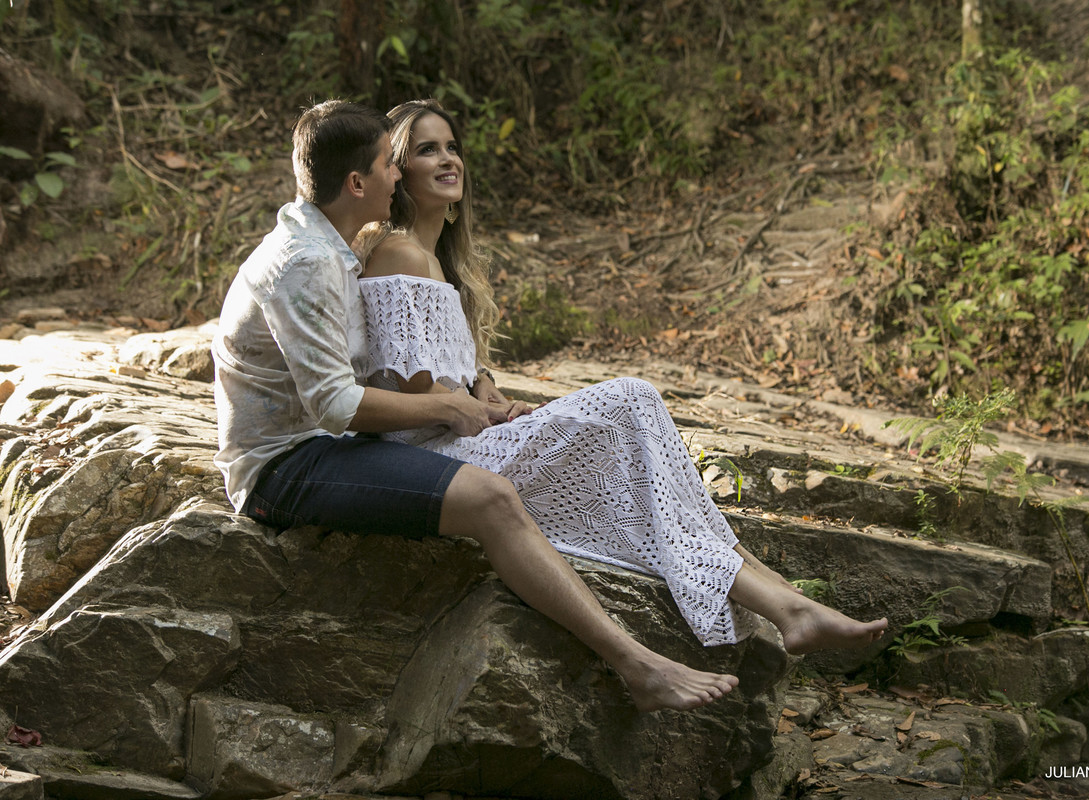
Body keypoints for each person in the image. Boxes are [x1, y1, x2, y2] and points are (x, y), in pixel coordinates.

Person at [212, 99, 744, 713]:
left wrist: (476, 387)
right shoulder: (304, 262)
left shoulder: (328, 245)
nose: (397, 174)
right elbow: (336, 404)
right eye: (389, 164)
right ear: (357, 183)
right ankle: (639, 667)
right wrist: (450, 411)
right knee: (492, 497)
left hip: (332, 448)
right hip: (284, 470)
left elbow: (379, 356)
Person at [352, 100, 888, 656]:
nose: (448, 159)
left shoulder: (438, 258)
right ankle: (776, 594)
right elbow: (416, 390)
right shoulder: (401, 254)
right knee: (630, 403)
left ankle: (775, 594)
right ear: (398, 170)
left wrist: (482, 380)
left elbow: (441, 360)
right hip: (430, 458)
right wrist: (490, 410)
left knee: (637, 448)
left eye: (452, 147)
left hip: (459, 438)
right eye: (428, 150)